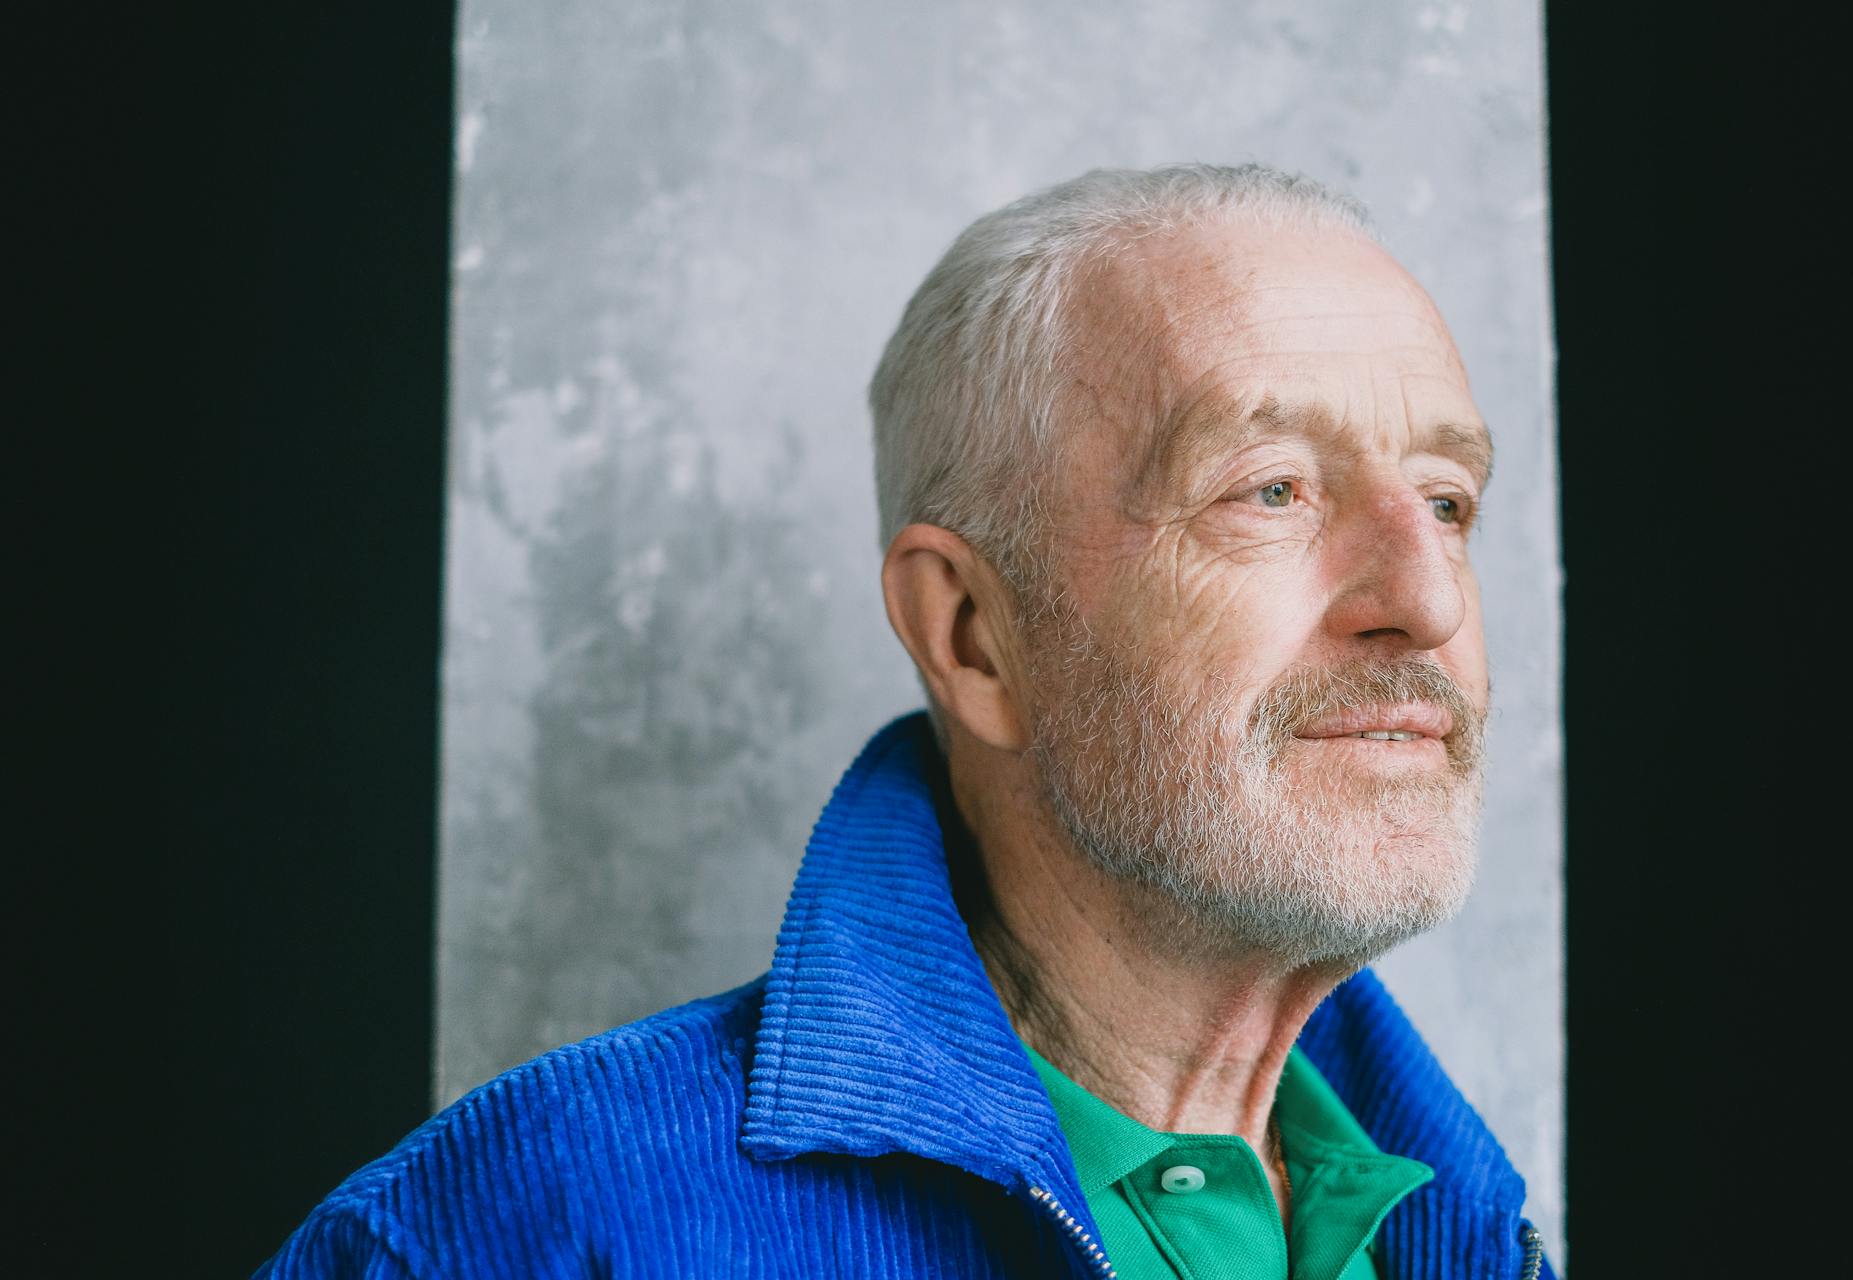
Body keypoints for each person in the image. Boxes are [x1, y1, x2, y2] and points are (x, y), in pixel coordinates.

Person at [260, 163, 1556, 1280]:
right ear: (974, 635)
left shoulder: (1475, 1233)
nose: (1429, 601)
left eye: (1448, 502)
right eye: (1268, 492)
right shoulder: (516, 1230)